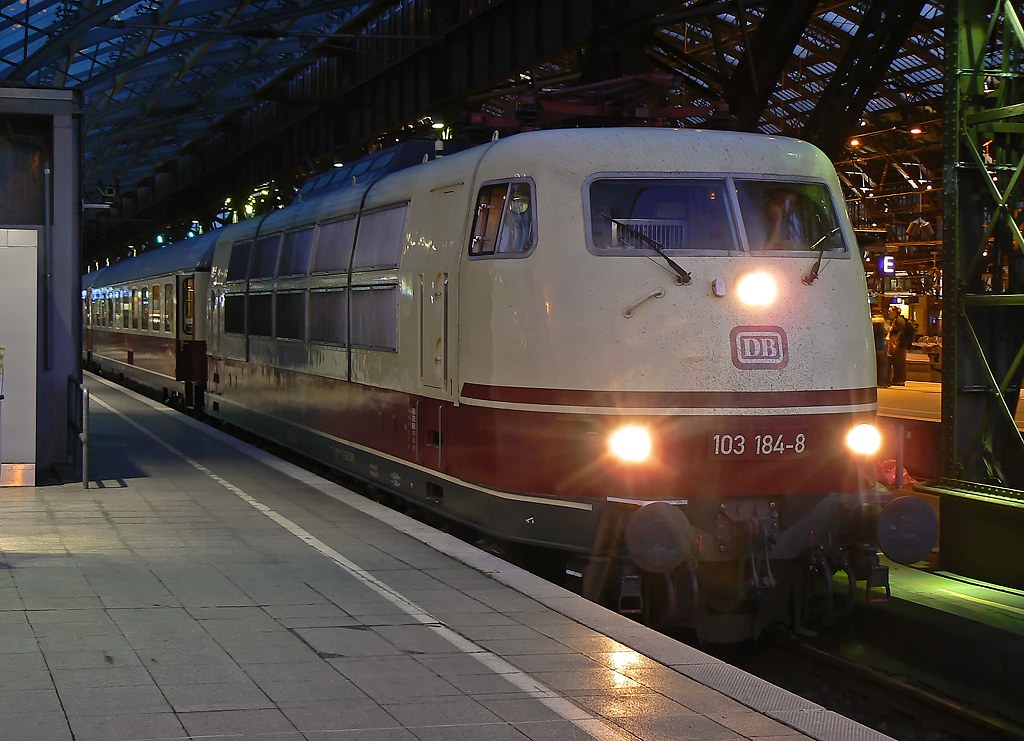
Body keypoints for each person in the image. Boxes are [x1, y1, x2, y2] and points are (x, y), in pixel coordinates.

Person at [886, 305, 909, 386]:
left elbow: (901, 332)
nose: (889, 313)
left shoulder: (899, 320)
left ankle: (900, 379)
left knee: (899, 363)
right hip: (896, 344)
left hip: (899, 345)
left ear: (895, 312)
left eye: (890, 311)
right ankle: (897, 379)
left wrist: (896, 343)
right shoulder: (895, 320)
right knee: (896, 362)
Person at [872, 312, 890, 387]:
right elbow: (887, 331)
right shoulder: (883, 323)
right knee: (882, 365)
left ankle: (875, 382)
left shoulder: (871, 323)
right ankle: (882, 382)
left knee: (875, 366)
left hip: (873, 346)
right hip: (881, 346)